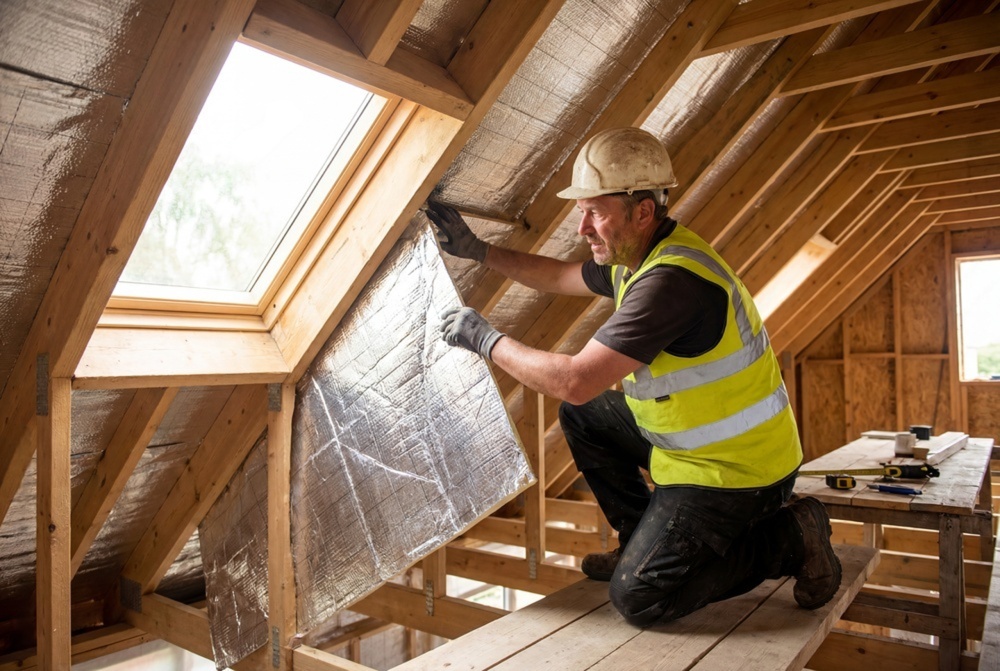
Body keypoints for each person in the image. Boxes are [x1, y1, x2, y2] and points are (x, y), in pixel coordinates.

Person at [426, 127, 841, 626]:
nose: (583, 228)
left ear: (643, 211)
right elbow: (558, 276)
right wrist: (478, 250)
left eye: (595, 213)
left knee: (640, 598)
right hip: (694, 448)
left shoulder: (670, 283)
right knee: (583, 416)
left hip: (738, 473)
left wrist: (485, 339)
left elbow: (575, 379)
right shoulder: (639, 255)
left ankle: (792, 536)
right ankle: (637, 542)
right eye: (581, 212)